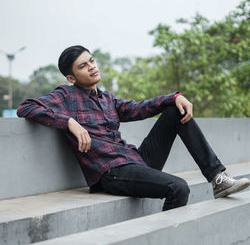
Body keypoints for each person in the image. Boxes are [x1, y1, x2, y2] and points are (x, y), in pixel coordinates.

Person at [17, 45, 250, 211]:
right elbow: (26, 107)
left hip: (135, 160)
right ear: (71, 77)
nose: (91, 67)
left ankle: (218, 178)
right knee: (179, 187)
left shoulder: (107, 98)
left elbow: (139, 108)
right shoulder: (65, 95)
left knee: (174, 110)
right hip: (111, 172)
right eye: (83, 66)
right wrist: (69, 121)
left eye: (92, 61)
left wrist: (175, 96)